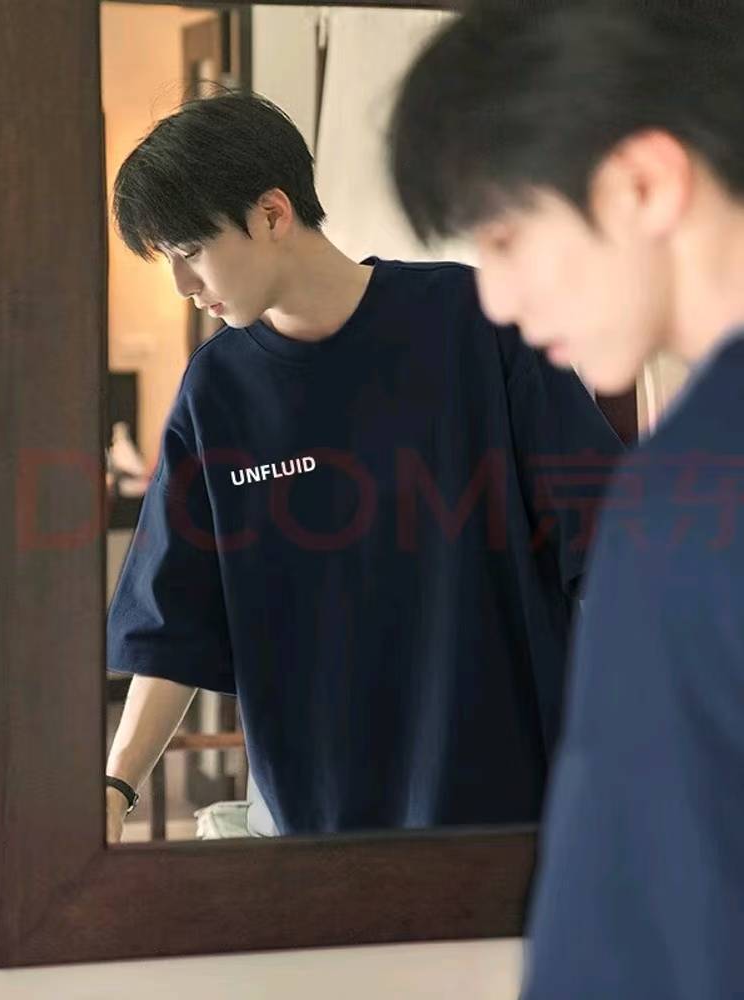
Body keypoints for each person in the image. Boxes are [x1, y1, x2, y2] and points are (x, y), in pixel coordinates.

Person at [105, 90, 623, 843]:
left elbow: (609, 545)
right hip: (316, 829)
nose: (184, 285)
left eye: (191, 252)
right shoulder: (217, 392)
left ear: (272, 213)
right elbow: (172, 621)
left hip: (503, 813)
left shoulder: (475, 321)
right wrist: (116, 786)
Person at [387, 1, 744, 996]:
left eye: (504, 237)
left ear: (642, 185)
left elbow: (651, 918)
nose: (494, 298)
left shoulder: (690, 495)